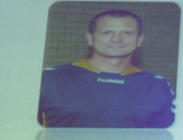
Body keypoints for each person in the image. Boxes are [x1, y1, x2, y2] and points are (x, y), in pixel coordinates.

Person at [38, 10, 174, 128]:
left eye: (127, 33)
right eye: (107, 32)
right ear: (90, 38)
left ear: (139, 40)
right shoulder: (48, 79)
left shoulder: (156, 85)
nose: (116, 39)